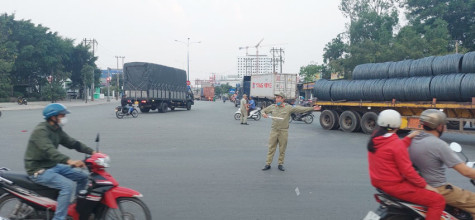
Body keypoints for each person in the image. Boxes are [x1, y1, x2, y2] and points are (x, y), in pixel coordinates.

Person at [367, 109, 445, 220]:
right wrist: (426, 186)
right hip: (395, 186)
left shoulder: (375, 139)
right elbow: (408, 172)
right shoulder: (395, 144)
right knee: (437, 200)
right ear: (398, 125)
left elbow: (391, 150)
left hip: (380, 184)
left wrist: (409, 138)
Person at [24, 103, 96, 220]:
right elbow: (49, 150)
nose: (64, 117)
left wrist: (92, 152)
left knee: (83, 176)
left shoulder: (56, 129)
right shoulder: (41, 131)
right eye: (62, 115)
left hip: (52, 165)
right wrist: (69, 161)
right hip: (38, 169)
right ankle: (59, 218)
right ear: (53, 117)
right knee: (67, 186)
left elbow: (72, 142)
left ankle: (76, 208)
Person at [409, 109, 475, 218]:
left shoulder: (413, 138)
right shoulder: (439, 145)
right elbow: (465, 171)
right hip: (438, 188)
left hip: (419, 186)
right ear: (439, 126)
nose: (445, 127)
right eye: (444, 125)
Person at [261, 92, 320, 171]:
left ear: (283, 99)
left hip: (283, 131)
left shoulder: (288, 108)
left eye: (278, 98)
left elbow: (300, 109)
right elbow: (263, 110)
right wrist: (263, 114)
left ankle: (280, 164)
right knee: (271, 148)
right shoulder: (272, 107)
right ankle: (268, 164)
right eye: (276, 98)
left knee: (282, 148)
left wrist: (312, 108)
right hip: (274, 131)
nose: (276, 99)